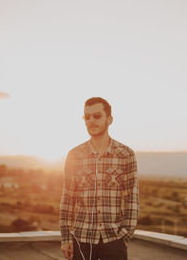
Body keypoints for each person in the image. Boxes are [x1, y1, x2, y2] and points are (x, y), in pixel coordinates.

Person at [60, 97, 139, 260]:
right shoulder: (74, 155)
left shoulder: (126, 154)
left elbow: (132, 198)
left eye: (96, 116)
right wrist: (66, 238)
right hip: (81, 239)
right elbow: (67, 200)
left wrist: (125, 235)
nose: (91, 121)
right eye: (86, 117)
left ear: (109, 120)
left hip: (114, 239)